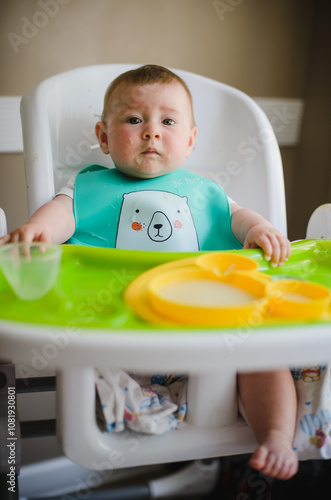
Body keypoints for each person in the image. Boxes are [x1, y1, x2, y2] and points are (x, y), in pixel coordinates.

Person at [0, 64, 297, 479]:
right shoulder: (86, 186)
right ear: (103, 136)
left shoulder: (205, 190)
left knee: (267, 357)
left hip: (206, 327)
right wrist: (37, 230)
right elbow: (58, 216)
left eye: (168, 121)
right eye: (134, 119)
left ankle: (277, 437)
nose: (151, 131)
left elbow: (239, 217)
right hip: (118, 329)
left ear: (190, 139)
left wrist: (261, 228)